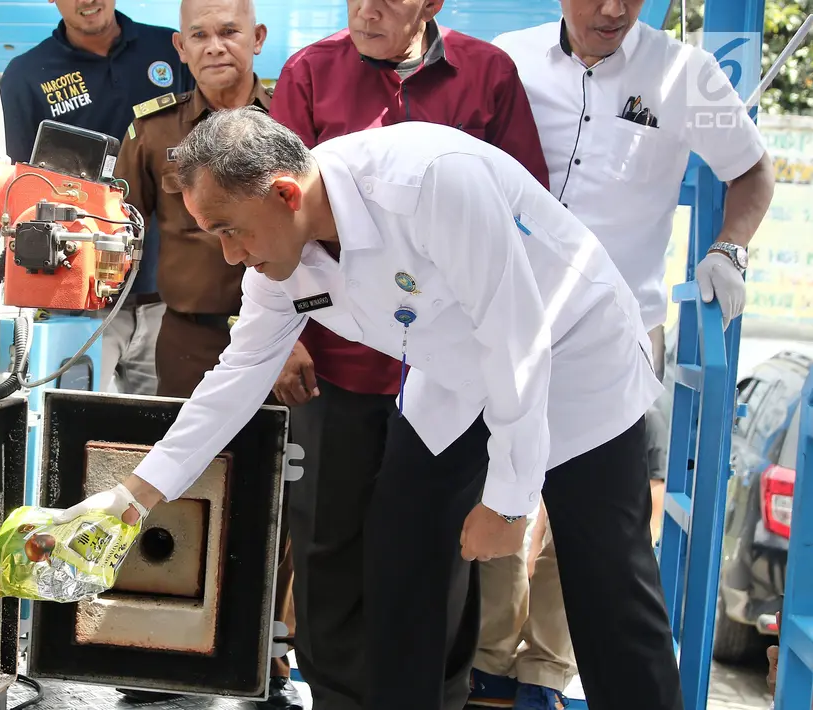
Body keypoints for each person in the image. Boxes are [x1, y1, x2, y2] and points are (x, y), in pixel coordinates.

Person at [60, 107, 683, 710]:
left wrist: (510, 501)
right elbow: (238, 376)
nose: (229, 255)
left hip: (573, 358)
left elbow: (517, 341)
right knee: (400, 546)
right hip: (456, 378)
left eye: (229, 229)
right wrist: (132, 496)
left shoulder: (432, 181)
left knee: (606, 580)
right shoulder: (277, 264)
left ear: (285, 194)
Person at [473, 1, 776, 705]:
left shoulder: (683, 75)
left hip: (608, 345)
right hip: (493, 330)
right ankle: (478, 672)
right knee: (471, 512)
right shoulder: (504, 61)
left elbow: (751, 172)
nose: (611, 9)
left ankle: (567, 679)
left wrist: (727, 248)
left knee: (606, 557)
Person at [266, 1, 549, 706]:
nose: (367, 10)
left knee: (439, 545)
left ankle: (437, 693)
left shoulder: (487, 75)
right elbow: (275, 209)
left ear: (430, 4)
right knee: (327, 540)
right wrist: (290, 339)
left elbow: (525, 208)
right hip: (339, 361)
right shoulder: (309, 73)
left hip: (452, 373)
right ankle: (333, 694)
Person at [110, 1, 300, 705]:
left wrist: (299, 339)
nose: (215, 47)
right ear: (179, 48)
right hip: (189, 338)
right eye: (200, 35)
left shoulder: (292, 119)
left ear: (256, 39)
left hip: (287, 345)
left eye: (229, 32)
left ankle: (266, 662)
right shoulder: (153, 129)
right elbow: (117, 225)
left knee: (279, 496)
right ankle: (165, 657)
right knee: (179, 486)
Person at [0, 0, 195, 396]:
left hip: (169, 300)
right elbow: (15, 187)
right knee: (70, 429)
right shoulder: (26, 76)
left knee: (161, 434)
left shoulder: (172, 52)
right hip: (75, 300)